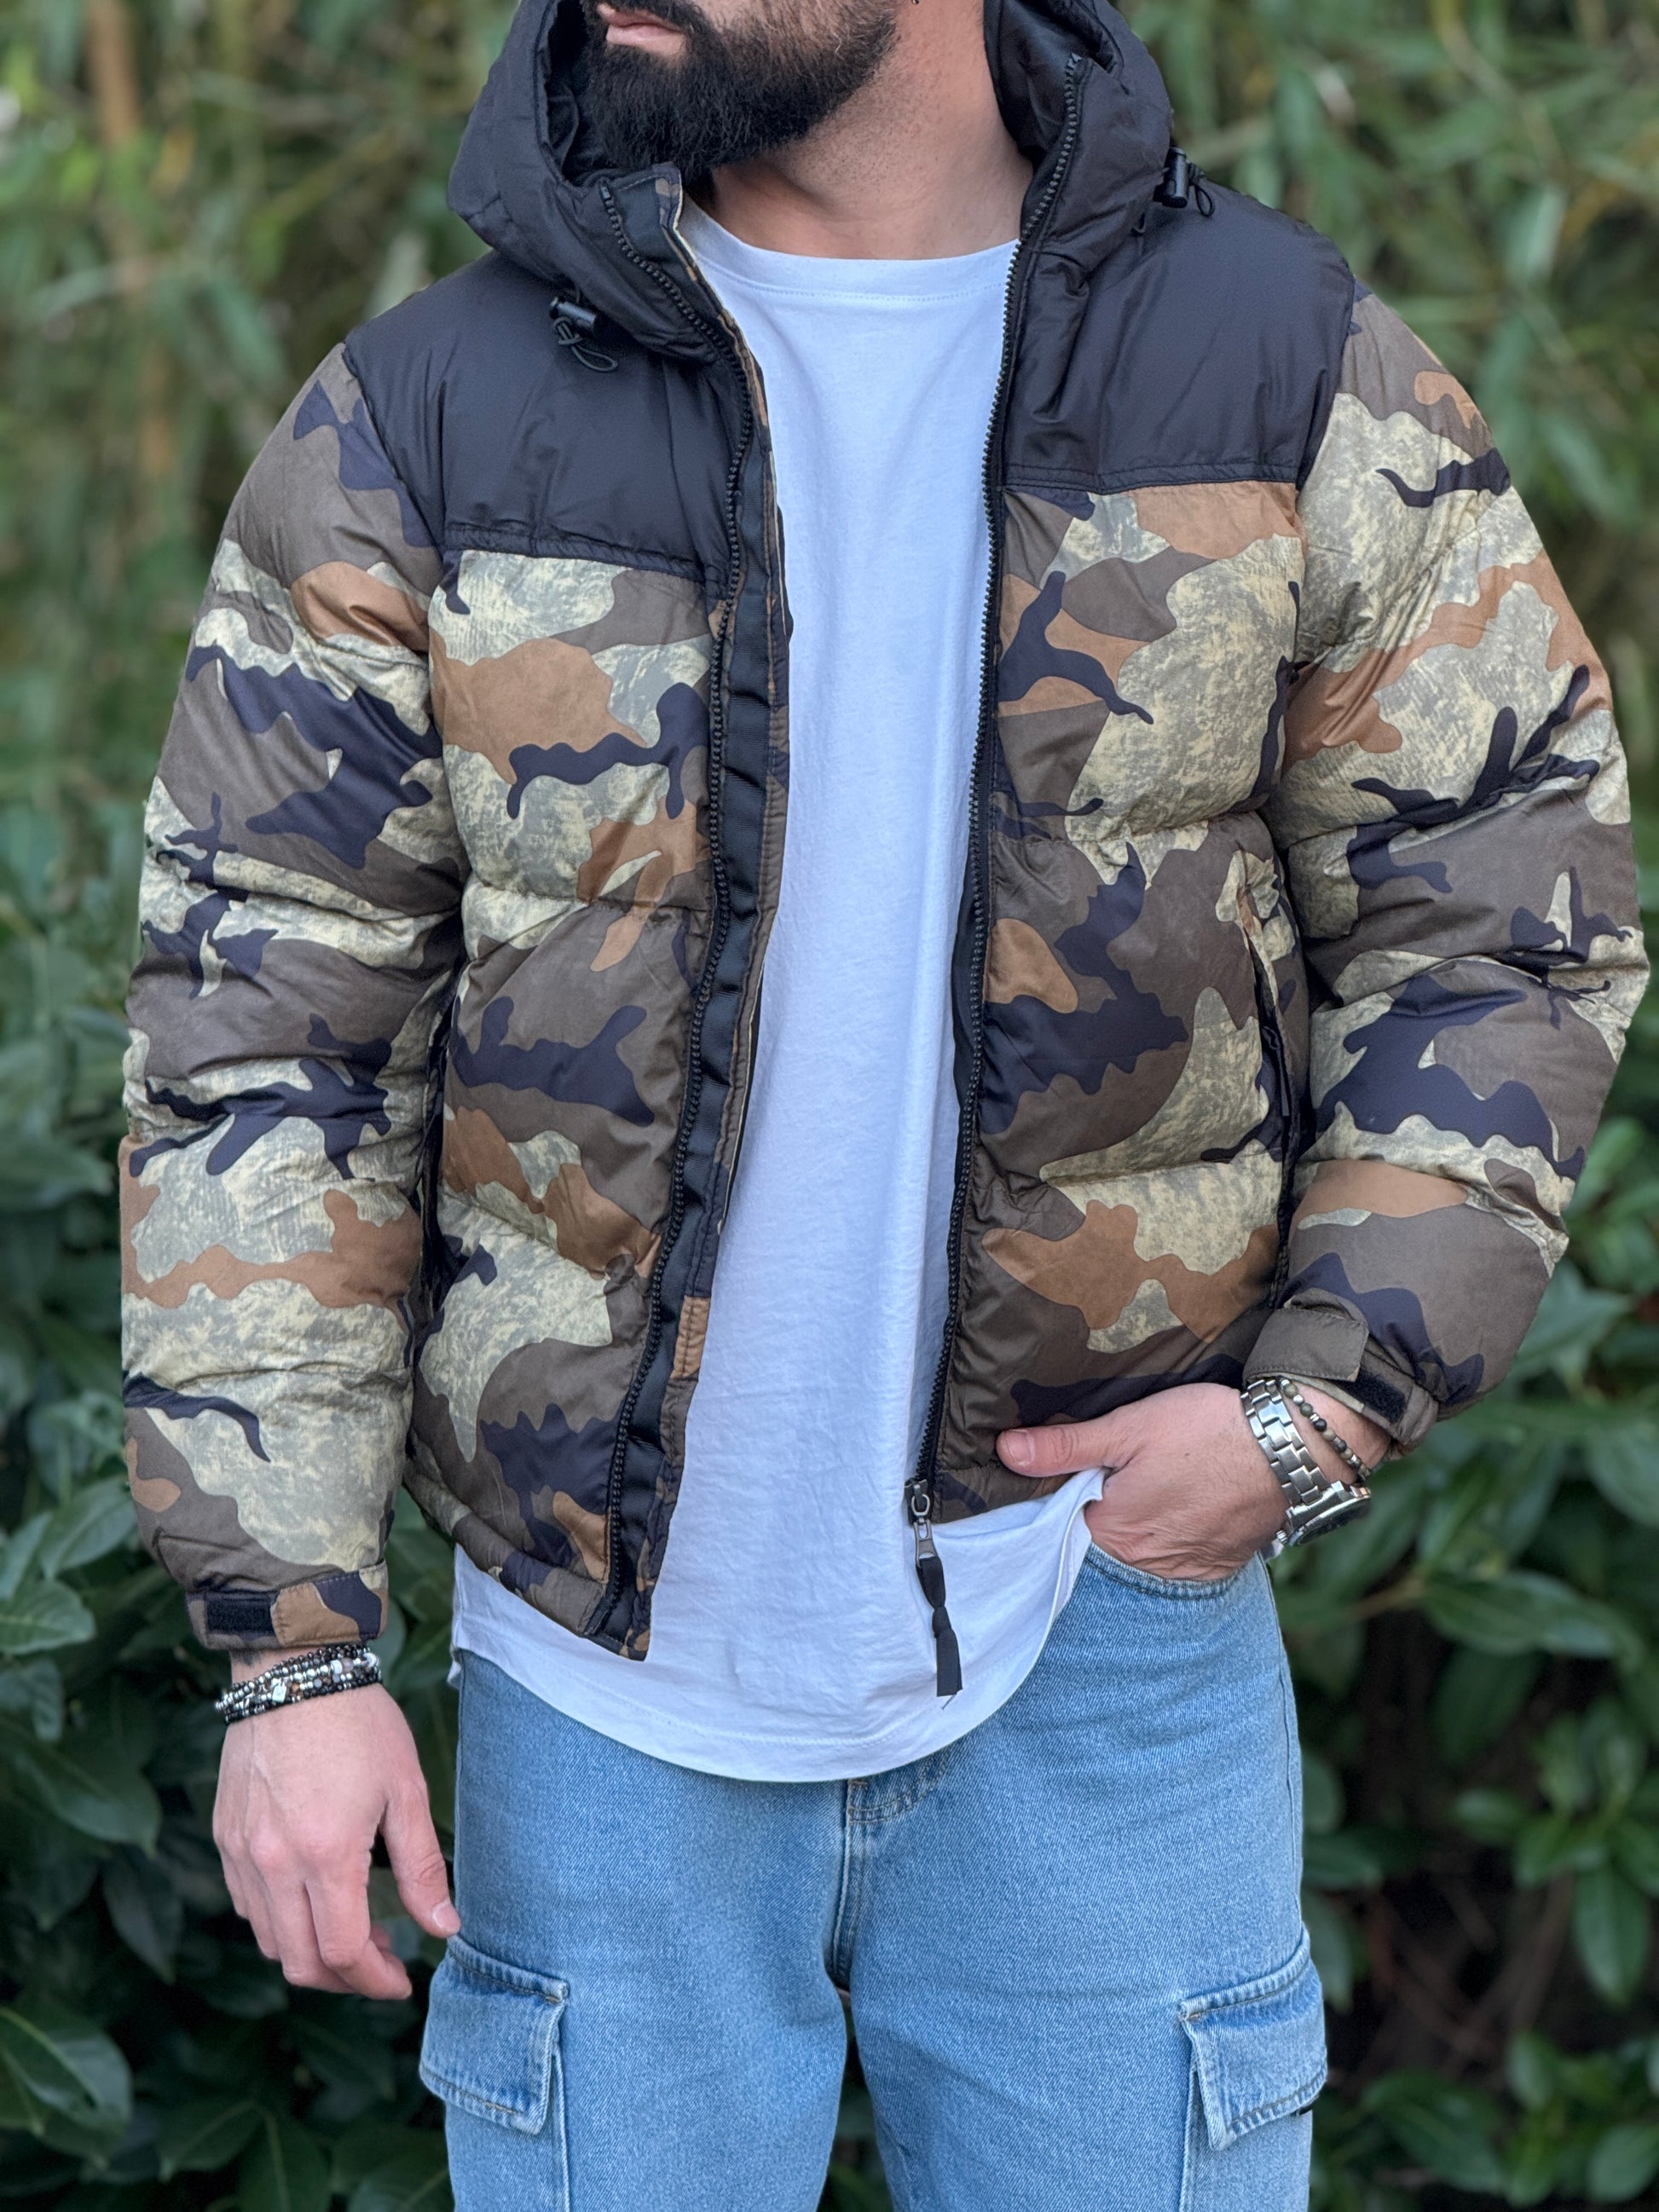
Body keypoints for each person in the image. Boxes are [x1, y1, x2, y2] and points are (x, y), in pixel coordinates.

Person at [119, 0, 1646, 2203]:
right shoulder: (427, 416)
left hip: (1100, 1643)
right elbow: (264, 1034)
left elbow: (1504, 912)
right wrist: (293, 1649)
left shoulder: (1281, 373)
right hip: (597, 1702)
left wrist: (1316, 1415)